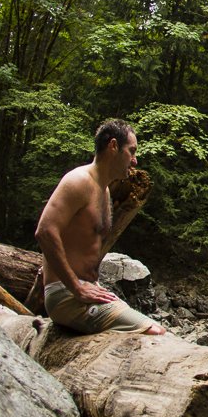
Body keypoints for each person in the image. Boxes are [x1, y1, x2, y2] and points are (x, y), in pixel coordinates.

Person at [34, 119, 165, 335]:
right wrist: (76, 287)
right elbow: (45, 231)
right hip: (66, 295)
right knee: (154, 332)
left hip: (89, 290)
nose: (135, 161)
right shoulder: (78, 181)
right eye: (131, 151)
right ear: (113, 146)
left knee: (150, 328)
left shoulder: (103, 191)